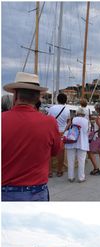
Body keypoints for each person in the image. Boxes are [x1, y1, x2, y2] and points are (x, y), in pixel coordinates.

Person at [2, 72, 62, 201]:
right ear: (37, 98)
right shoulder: (50, 122)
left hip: (5, 191)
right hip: (37, 192)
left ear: (15, 96)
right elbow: (55, 151)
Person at [64, 108, 90, 183]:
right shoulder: (86, 121)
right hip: (82, 143)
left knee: (70, 160)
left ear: (77, 113)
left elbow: (67, 128)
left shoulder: (73, 119)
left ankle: (70, 177)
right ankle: (81, 177)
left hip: (71, 141)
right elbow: (87, 132)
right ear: (84, 114)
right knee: (81, 161)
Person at [47, 92, 69, 177]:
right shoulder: (67, 110)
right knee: (61, 152)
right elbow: (68, 121)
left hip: (52, 132)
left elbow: (48, 119)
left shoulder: (52, 108)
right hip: (62, 133)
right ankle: (60, 170)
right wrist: (65, 129)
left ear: (57, 99)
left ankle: (49, 172)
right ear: (65, 100)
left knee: (49, 152)